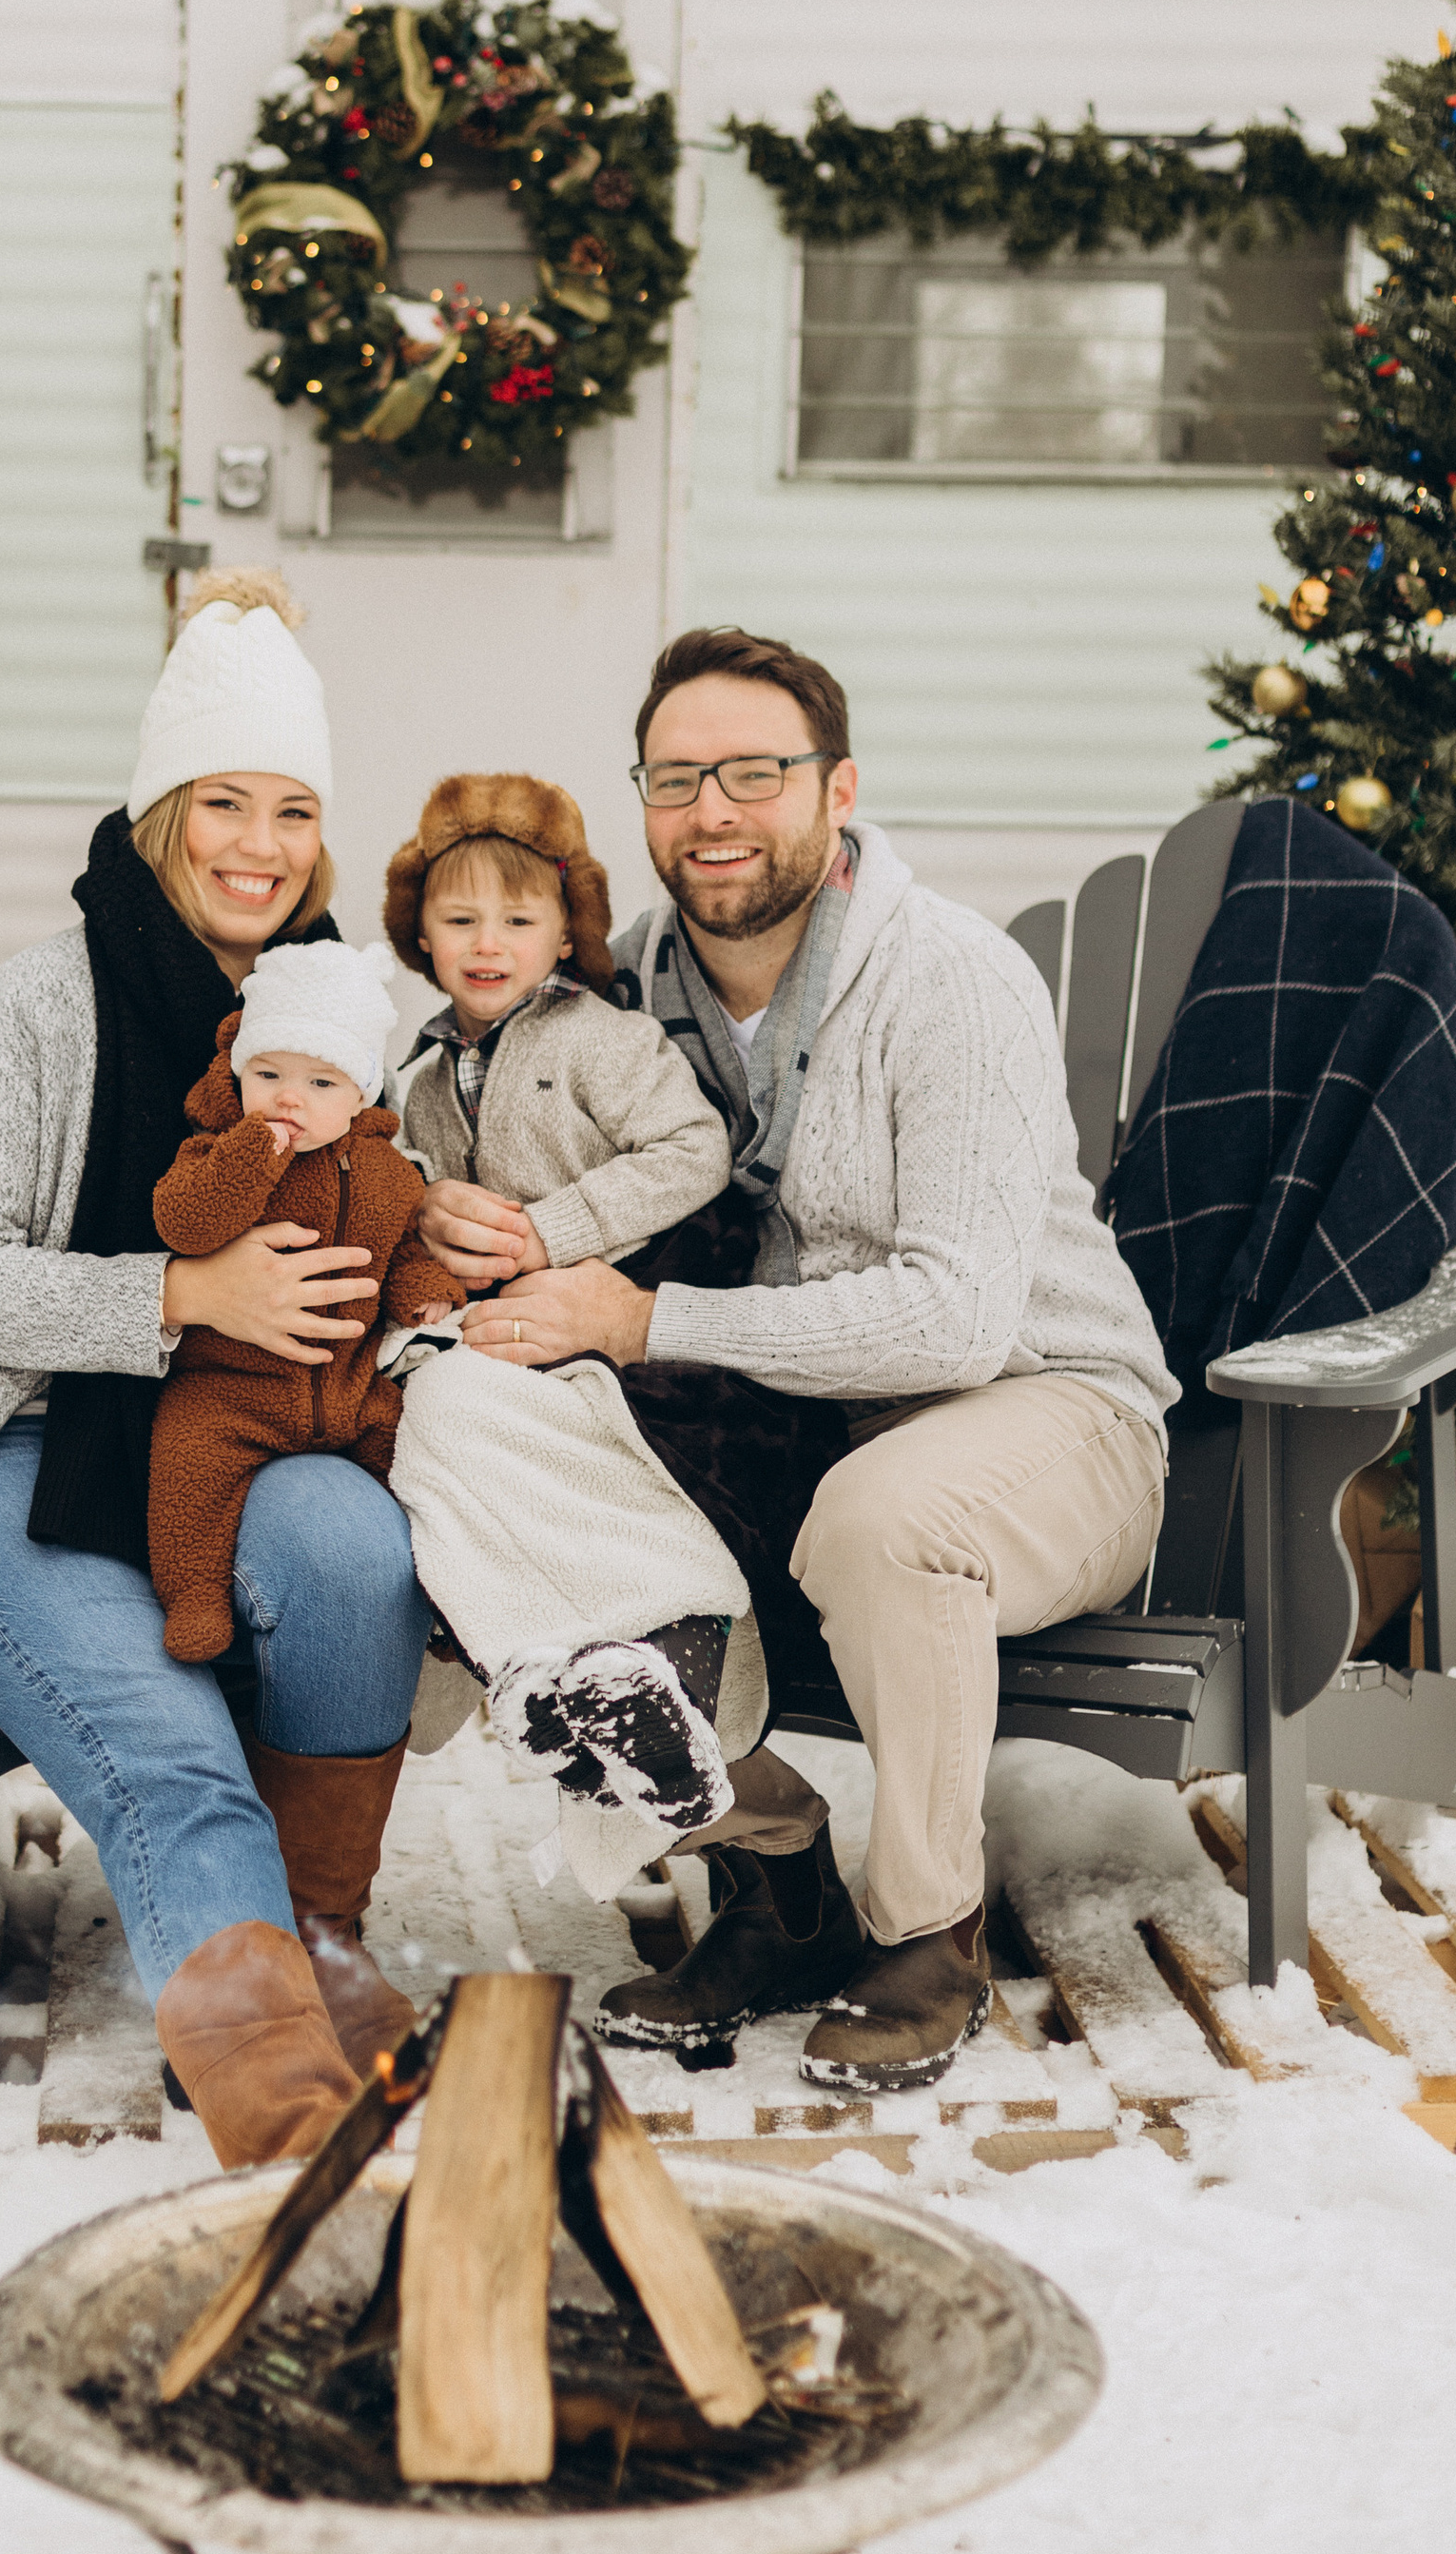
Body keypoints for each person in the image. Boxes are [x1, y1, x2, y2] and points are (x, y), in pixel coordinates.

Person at [415, 625, 1178, 2093]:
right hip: (777, 1424)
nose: (714, 811)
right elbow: (466, 1086)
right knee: (481, 1470)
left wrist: (642, 1325)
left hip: (1039, 1412)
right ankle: (771, 1877)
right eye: (678, 777)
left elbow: (956, 1316)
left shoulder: (949, 981)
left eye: (756, 773)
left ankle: (925, 1934)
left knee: (886, 1520)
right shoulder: (620, 985)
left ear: (837, 791)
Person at [0, 571, 432, 2169]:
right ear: (161, 811)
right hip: (1, 1458)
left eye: (294, 810)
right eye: (224, 800)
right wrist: (178, 1293)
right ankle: (275, 2098)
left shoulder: (326, 1019)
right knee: (174, 1749)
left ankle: (315, 1944)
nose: (261, 845)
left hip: (218, 1449)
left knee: (358, 1551)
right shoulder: (36, 1009)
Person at [378, 771, 750, 1894]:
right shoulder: (423, 1070)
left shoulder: (602, 1039)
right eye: (458, 920)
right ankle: (561, 1678)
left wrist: (553, 1230)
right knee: (426, 1423)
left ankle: (643, 1660)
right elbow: (394, 1181)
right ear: (421, 934)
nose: (488, 944)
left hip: (614, 1335)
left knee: (466, 1418)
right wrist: (423, 1202)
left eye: (519, 919)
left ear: (565, 930)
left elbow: (694, 1152)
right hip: (494, 1343)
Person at [146, 939, 450, 1685]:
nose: (290, 1097)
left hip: (350, 1394)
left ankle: (442, 1599)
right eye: (269, 1073)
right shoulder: (215, 1153)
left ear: (360, 1095)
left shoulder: (387, 1173)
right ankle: (193, 1597)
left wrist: (421, 1287)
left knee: (421, 1470)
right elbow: (183, 1224)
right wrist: (254, 1154)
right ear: (239, 1072)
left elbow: (402, 1245)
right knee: (187, 1467)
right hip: (228, 1390)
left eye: (320, 1080)